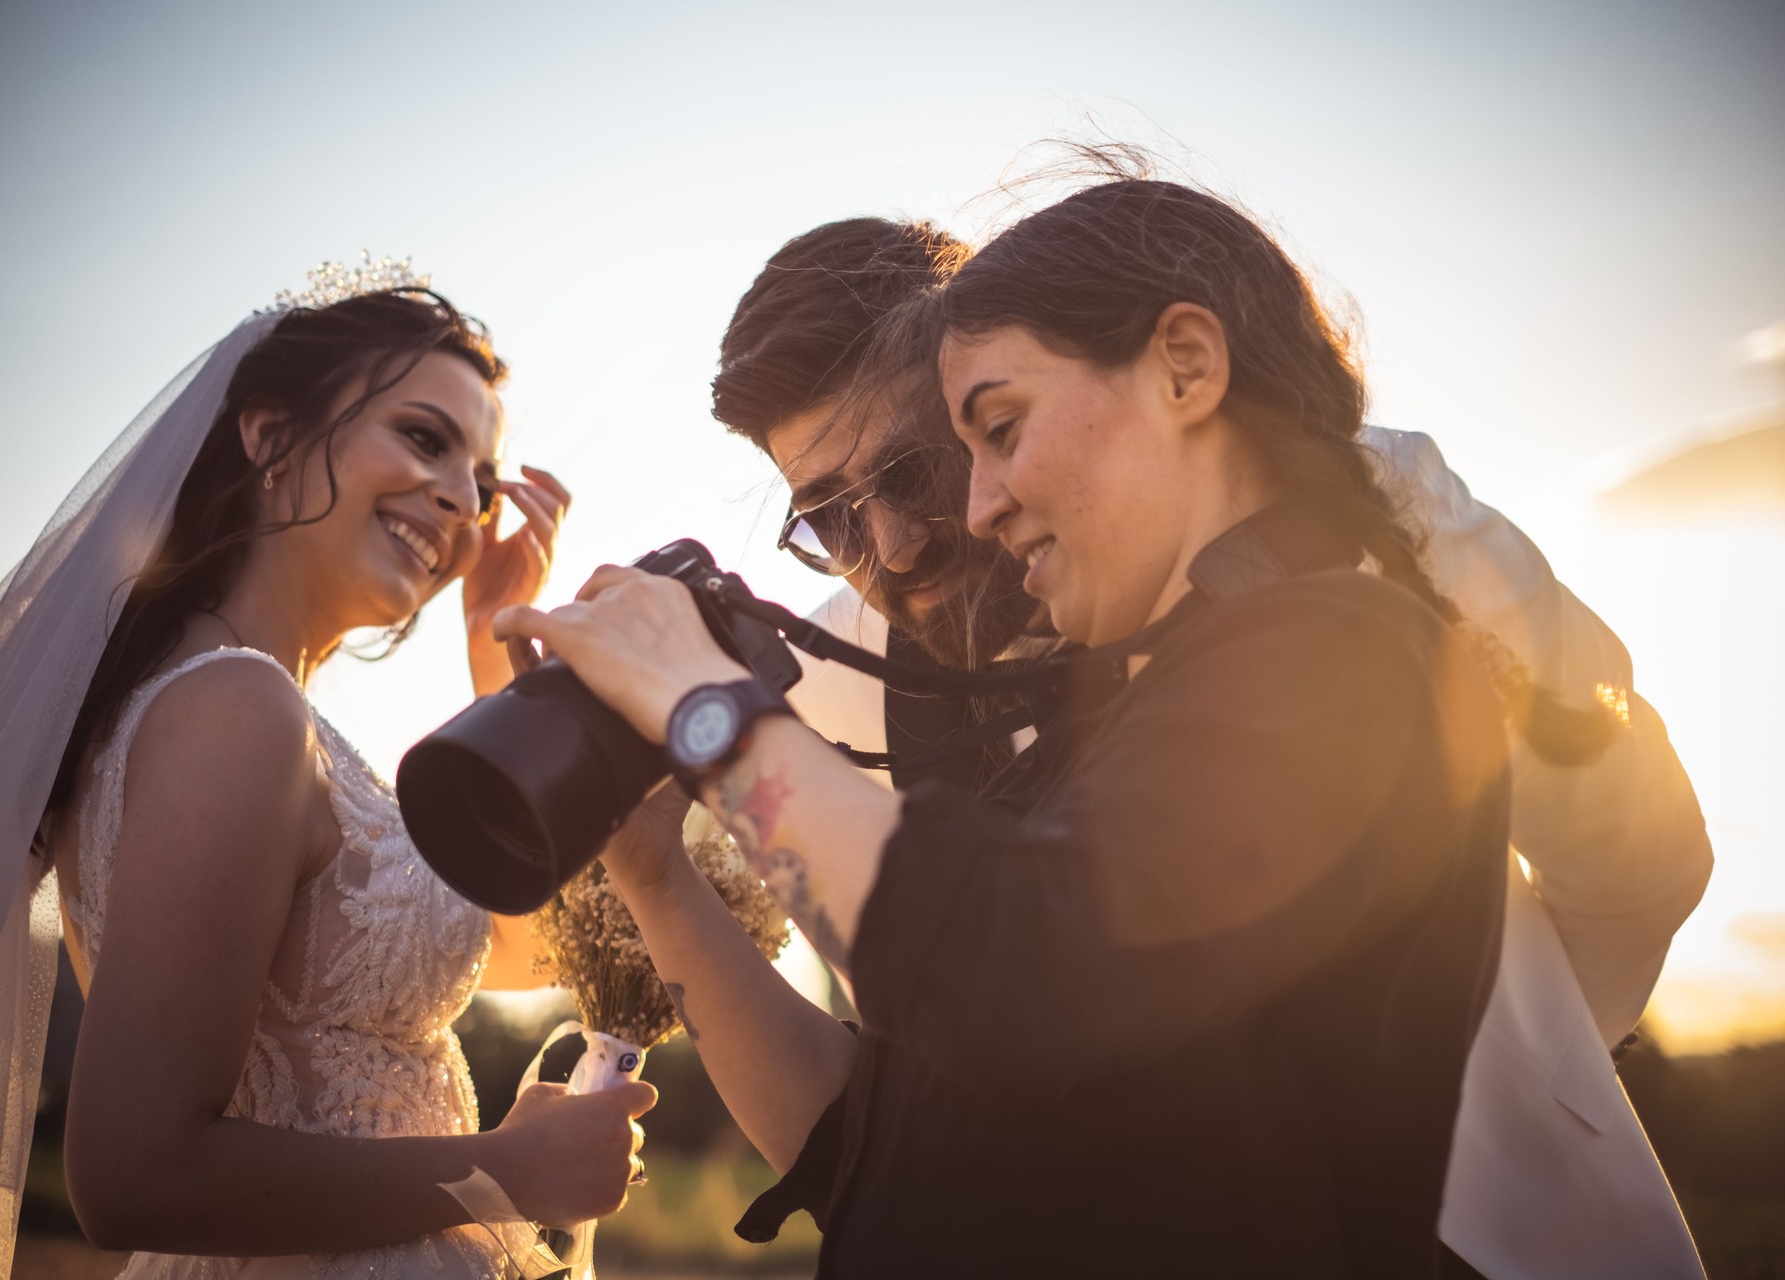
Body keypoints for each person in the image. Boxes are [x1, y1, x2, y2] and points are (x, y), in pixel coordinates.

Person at [497, 176, 1520, 1275]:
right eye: (833, 519)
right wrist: (655, 872)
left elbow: (1023, 969)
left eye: (990, 432)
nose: (949, 518)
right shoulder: (1082, 738)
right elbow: (871, 1147)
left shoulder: (1341, 648)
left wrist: (711, 714)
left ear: (1187, 367)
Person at [709, 213, 1713, 1278]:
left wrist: (1485, 1036)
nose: (893, 548)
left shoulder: (1367, 510)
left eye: (920, 469)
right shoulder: (838, 664)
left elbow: (1635, 849)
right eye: (828, 515)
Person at [0, 278, 653, 1279]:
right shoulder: (236, 709)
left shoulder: (258, 709)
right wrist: (502, 1168)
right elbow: (131, 1171)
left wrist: (493, 652)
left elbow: (518, 945)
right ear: (270, 434)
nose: (465, 496)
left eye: (483, 478)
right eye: (424, 438)